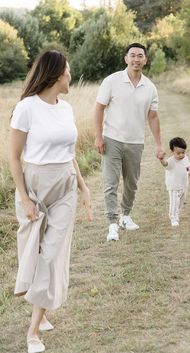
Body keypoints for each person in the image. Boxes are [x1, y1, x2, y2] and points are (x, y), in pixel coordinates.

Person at [9, 50, 92, 353]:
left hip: (64, 186)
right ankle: (38, 301)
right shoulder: (26, 108)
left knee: (52, 254)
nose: (71, 76)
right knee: (31, 251)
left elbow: (69, 153)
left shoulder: (66, 108)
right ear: (57, 75)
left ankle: (33, 332)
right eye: (69, 71)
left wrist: (83, 188)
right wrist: (25, 198)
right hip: (34, 184)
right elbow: (14, 157)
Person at [94, 43, 164, 241]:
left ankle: (125, 216)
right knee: (111, 182)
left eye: (140, 56)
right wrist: (99, 136)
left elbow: (153, 117)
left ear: (145, 60)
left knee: (132, 183)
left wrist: (159, 145)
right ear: (126, 59)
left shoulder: (150, 87)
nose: (136, 59)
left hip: (135, 142)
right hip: (112, 139)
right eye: (132, 55)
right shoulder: (112, 81)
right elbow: (99, 108)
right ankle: (112, 223)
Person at [159, 137, 190, 226]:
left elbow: (188, 168)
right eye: (178, 153)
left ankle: (176, 214)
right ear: (172, 151)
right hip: (173, 186)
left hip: (184, 185)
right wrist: (161, 159)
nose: (181, 155)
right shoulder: (171, 161)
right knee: (174, 202)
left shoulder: (185, 158)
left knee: (181, 201)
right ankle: (173, 218)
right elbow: (165, 164)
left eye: (183, 152)